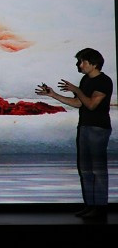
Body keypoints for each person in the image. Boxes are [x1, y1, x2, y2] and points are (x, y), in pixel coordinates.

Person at [36, 48, 112, 222]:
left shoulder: (104, 81)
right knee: (85, 168)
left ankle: (100, 208)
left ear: (94, 63)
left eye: (83, 61)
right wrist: (53, 94)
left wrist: (77, 90)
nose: (80, 65)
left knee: (98, 170)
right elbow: (79, 103)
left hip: (98, 128)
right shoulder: (85, 80)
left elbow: (92, 104)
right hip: (85, 126)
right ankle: (90, 206)